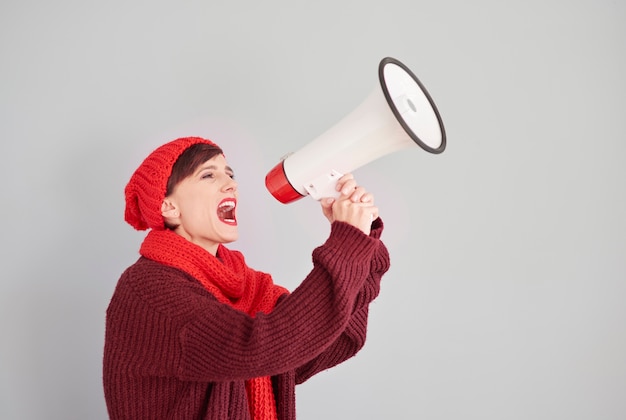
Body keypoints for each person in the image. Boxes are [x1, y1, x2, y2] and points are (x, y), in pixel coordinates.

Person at [103, 136, 390, 419]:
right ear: (168, 207)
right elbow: (259, 345)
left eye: (230, 174)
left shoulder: (246, 288)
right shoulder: (149, 288)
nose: (232, 184)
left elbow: (329, 343)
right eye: (208, 175)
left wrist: (362, 242)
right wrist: (346, 244)